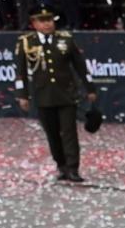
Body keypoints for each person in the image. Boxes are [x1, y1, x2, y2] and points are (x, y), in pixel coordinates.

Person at [12, 9, 94, 183]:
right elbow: (20, 73)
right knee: (52, 133)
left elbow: (80, 66)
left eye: (49, 20)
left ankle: (73, 167)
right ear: (34, 24)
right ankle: (61, 165)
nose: (47, 24)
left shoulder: (65, 39)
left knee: (69, 131)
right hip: (44, 95)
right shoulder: (26, 43)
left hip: (66, 94)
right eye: (42, 21)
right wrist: (22, 95)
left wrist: (90, 88)